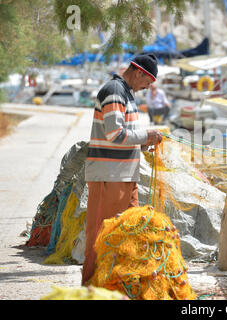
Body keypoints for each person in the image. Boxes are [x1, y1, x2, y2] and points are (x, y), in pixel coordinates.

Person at [82, 53, 163, 285]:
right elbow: (115, 134)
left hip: (125, 176)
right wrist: (146, 135)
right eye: (147, 83)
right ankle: (91, 288)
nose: (146, 88)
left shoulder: (126, 93)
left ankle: (116, 287)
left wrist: (144, 143)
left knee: (127, 234)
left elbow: (126, 135)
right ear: (139, 73)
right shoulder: (114, 92)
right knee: (102, 236)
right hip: (109, 177)